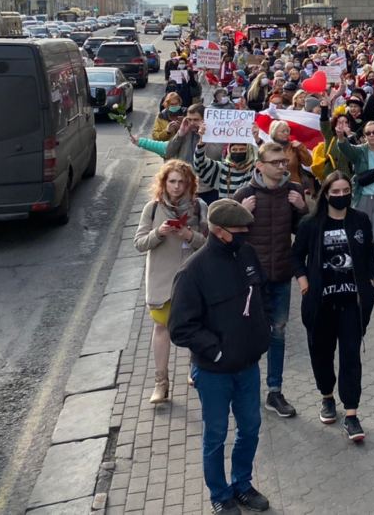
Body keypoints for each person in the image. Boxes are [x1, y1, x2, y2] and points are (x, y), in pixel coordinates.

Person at [168, 199, 272, 515]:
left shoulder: (247, 254)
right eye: (240, 230)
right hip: (214, 373)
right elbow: (180, 329)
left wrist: (260, 332)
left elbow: (260, 295)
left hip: (248, 367)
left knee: (251, 428)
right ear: (219, 231)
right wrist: (218, 350)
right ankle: (220, 493)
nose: (246, 234)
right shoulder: (192, 272)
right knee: (215, 435)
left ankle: (242, 484)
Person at [291, 171, 374, 443]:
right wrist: (304, 283)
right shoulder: (310, 224)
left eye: (345, 191)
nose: (341, 196)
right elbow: (295, 256)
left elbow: (369, 252)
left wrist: (370, 281)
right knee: (321, 353)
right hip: (320, 302)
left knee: (351, 356)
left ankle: (351, 414)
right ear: (325, 194)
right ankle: (327, 396)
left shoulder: (360, 220)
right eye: (335, 192)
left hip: (352, 303)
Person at [231, 143, 308, 420]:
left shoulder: (294, 192)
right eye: (275, 162)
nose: (281, 166)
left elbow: (304, 234)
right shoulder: (245, 195)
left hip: (281, 277)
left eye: (284, 162)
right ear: (260, 166)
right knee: (249, 336)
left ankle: (274, 391)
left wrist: (303, 209)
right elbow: (231, 239)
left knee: (278, 333)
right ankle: (246, 389)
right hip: (252, 282)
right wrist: (241, 212)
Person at [134, 160, 208, 405]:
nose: (176, 187)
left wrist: (189, 235)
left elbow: (210, 244)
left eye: (181, 182)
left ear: (190, 184)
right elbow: (139, 243)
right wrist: (159, 233)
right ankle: (161, 382)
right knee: (161, 328)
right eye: (172, 181)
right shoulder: (152, 209)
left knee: (195, 326)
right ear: (164, 183)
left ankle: (194, 369)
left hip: (192, 279)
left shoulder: (200, 207)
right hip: (161, 280)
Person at [327, 119, 374, 299]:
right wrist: (340, 136)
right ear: (364, 136)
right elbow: (346, 149)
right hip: (361, 198)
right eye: (368, 133)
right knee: (358, 236)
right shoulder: (360, 151)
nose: (372, 136)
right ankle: (358, 274)